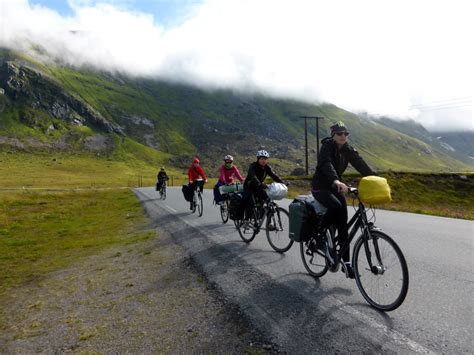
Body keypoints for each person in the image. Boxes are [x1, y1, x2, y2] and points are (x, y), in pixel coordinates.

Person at [311, 121, 376, 279]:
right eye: (339, 133)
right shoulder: (326, 147)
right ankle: (319, 235)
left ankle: (347, 263)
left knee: (343, 225)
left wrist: (376, 179)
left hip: (336, 186)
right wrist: (336, 180)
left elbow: (360, 164)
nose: (343, 136)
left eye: (345, 134)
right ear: (333, 135)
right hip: (320, 186)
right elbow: (326, 165)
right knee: (335, 206)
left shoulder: (348, 150)